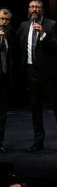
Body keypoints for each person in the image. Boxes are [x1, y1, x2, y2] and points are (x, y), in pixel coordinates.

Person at [19, 0, 57, 151]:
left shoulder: (51, 24)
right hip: (31, 72)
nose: (34, 9)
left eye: (37, 7)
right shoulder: (23, 26)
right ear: (28, 9)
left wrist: (42, 34)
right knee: (35, 109)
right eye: (31, 6)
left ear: (42, 9)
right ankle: (38, 142)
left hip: (49, 73)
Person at [0, 8, 18, 153]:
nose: (4, 22)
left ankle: (0, 142)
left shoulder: (10, 34)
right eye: (1, 19)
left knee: (2, 113)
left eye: (7, 20)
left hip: (4, 78)